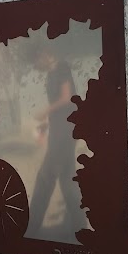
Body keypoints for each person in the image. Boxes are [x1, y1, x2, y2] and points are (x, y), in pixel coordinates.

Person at [27, 46, 86, 240]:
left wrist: (45, 111)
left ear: (43, 54)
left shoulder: (61, 68)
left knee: (46, 176)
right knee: (67, 179)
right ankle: (80, 227)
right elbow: (56, 109)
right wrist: (44, 126)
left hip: (66, 130)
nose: (37, 66)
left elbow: (67, 98)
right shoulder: (51, 74)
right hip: (59, 130)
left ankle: (30, 227)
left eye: (37, 61)